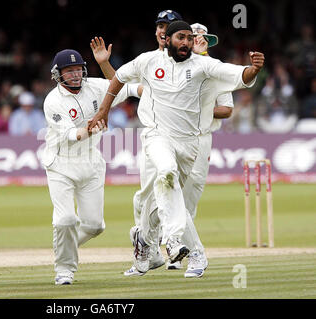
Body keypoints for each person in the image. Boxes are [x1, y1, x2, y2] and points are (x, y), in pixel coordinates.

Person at [88, 20, 264, 277]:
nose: (189, 42)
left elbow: (239, 76)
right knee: (163, 179)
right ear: (166, 39)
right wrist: (103, 109)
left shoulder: (206, 66)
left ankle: (143, 241)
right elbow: (120, 81)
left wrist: (254, 69)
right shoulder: (149, 61)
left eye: (191, 39)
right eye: (182, 37)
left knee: (163, 198)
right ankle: (175, 243)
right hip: (156, 136)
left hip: (192, 141)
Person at [42, 49, 142, 285]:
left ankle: (63, 247)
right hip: (61, 162)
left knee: (95, 226)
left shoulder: (94, 86)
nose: (76, 75)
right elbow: (69, 135)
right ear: (58, 74)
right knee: (65, 220)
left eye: (78, 69)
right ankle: (64, 269)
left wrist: (151, 91)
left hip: (91, 161)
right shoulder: (52, 101)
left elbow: (125, 88)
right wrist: (89, 129)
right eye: (69, 71)